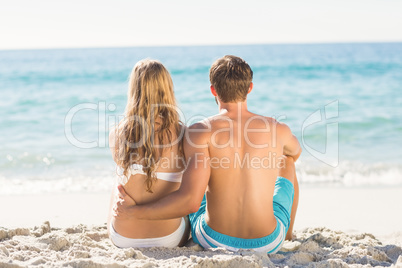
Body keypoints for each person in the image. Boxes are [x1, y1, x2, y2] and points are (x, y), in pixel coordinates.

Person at [114, 55, 301, 253]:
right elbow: (295, 153)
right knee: (286, 161)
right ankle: (287, 235)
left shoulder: (200, 131)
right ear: (250, 88)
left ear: (213, 90)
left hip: (213, 240)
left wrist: (135, 211)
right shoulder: (277, 129)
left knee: (199, 172)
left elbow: (190, 199)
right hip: (268, 243)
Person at [108, 59, 190, 248]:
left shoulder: (117, 134)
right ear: (168, 89)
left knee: (118, 184)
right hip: (169, 238)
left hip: (123, 238)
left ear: (134, 90)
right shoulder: (185, 134)